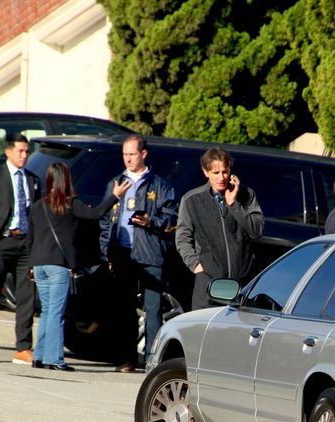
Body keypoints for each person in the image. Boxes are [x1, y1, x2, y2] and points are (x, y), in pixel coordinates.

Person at [99, 135, 178, 372]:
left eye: (132, 154)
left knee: (153, 310)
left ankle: (153, 361)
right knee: (124, 309)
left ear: (143, 154)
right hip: (122, 253)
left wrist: (150, 221)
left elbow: (172, 219)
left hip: (150, 254)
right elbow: (105, 219)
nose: (128, 159)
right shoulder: (115, 183)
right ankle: (127, 358)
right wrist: (107, 252)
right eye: (125, 154)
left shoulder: (161, 185)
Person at [29, 162, 115, 372]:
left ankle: (39, 356)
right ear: (67, 180)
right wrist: (115, 196)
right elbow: (96, 214)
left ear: (49, 179)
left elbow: (30, 239)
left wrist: (31, 266)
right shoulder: (70, 204)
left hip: (39, 264)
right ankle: (54, 359)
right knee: (57, 313)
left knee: (47, 311)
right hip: (58, 265)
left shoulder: (37, 206)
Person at [0, 133, 39, 365]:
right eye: (20, 151)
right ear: (8, 151)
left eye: (27, 151)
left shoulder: (32, 178)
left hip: (25, 243)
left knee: (26, 296)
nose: (24, 155)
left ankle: (23, 347)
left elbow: (36, 212)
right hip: (1, 241)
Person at [175, 147, 264, 311]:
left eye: (225, 171)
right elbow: (182, 238)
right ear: (206, 172)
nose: (221, 177)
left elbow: (256, 231)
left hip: (242, 284)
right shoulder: (191, 200)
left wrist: (234, 204)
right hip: (208, 284)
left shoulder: (246, 195)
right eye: (216, 172)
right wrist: (196, 266)